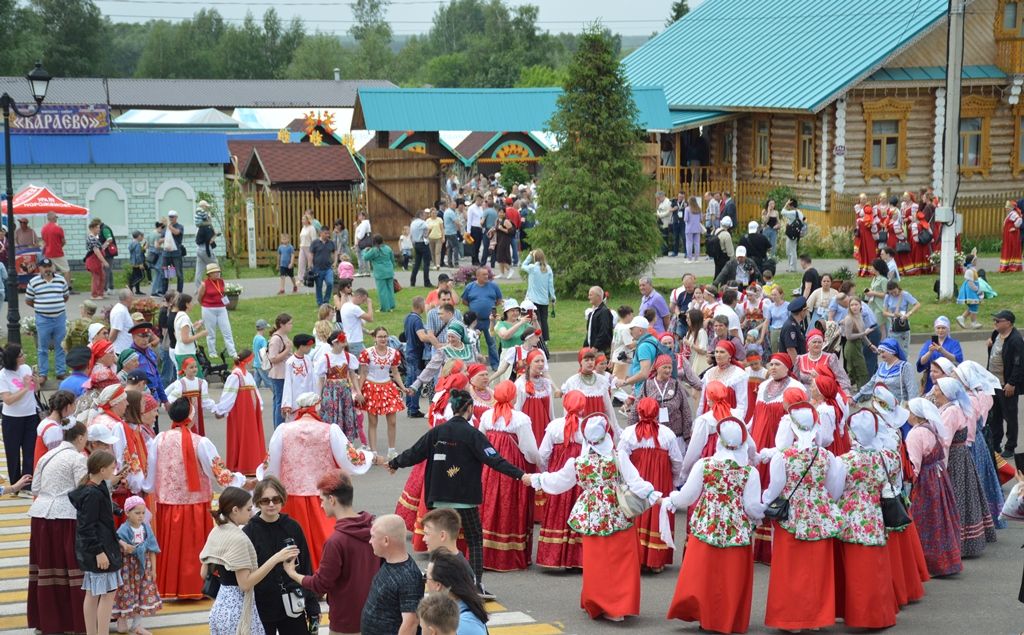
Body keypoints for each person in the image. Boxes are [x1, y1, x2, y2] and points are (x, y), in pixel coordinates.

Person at [385, 389, 528, 597]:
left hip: (438, 498)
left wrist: (394, 463)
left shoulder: (437, 432)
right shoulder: (473, 435)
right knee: (474, 538)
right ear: (469, 408)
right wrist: (520, 474)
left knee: (438, 539)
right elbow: (494, 460)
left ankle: (436, 579)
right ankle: (475, 584)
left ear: (452, 408)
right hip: (464, 499)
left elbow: (415, 453)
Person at [525, 415, 657, 622]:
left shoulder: (579, 462)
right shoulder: (617, 456)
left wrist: (536, 479)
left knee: (596, 561)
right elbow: (635, 481)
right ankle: (619, 606)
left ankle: (598, 603)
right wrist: (653, 495)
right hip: (617, 512)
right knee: (622, 560)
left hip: (592, 514)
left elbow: (559, 481)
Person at [663, 417, 763, 634]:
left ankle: (706, 615)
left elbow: (687, 496)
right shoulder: (749, 472)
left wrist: (671, 499)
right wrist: (760, 516)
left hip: (707, 524)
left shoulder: (705, 464)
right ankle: (727, 619)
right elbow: (752, 505)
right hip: (736, 528)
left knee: (705, 573)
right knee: (730, 576)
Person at [142, 397, 247, 600]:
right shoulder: (201, 442)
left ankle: (170, 587)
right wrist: (240, 480)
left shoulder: (159, 439)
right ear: (190, 417)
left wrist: (147, 489)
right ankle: (195, 586)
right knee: (195, 547)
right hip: (195, 504)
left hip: (167, 503)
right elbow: (219, 472)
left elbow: (151, 473)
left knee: (171, 547)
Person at [259, 391, 372, 571]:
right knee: (326, 538)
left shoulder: (283, 430)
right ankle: (327, 575)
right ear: (317, 406)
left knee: (292, 539)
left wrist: (265, 478)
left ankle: (297, 577)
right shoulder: (330, 430)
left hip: (292, 494)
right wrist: (368, 456)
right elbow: (349, 459)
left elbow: (271, 462)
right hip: (323, 496)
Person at [762, 404, 844, 631]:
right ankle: (815, 617)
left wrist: (765, 503)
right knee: (817, 568)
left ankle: (791, 618)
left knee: (790, 567)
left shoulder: (783, 457)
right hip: (819, 512)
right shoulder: (827, 456)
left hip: (792, 513)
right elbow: (834, 488)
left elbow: (775, 488)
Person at [281, 470, 378, 635]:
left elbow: (320, 584)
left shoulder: (336, 541)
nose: (320, 504)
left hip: (345, 621)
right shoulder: (374, 529)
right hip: (373, 614)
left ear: (332, 500)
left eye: (322, 500)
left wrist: (292, 573)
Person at [200, 487, 300, 635]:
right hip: (238, 609)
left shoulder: (216, 531)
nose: (251, 513)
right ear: (235, 510)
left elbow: (204, 573)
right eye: (248, 509)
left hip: (220, 606)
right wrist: (276, 558)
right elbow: (245, 584)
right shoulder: (238, 538)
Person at [834, 410, 897, 629]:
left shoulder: (844, 460)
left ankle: (856, 614)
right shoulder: (888, 457)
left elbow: (835, 489)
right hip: (875, 514)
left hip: (850, 516)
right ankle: (879, 614)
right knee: (876, 567)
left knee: (855, 570)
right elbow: (895, 482)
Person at [28, 420, 88, 633]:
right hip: (65, 517)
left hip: (40, 515)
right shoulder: (77, 458)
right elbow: (82, 490)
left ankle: (46, 621)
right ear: (80, 437)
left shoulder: (46, 456)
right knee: (70, 568)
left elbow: (35, 487)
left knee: (46, 568)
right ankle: (72, 622)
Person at [241, 477, 318, 635]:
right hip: (261, 606)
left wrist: (312, 608)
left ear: (282, 499)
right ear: (257, 502)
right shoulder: (249, 532)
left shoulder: (293, 527)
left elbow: (305, 567)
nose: (271, 504)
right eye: (265, 500)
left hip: (293, 603)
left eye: (276, 499)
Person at [478, 381, 541, 570]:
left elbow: (479, 439)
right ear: (513, 396)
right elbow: (529, 449)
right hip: (512, 468)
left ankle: (486, 554)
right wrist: (538, 463)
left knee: (489, 505)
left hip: (489, 468)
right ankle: (508, 557)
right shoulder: (520, 419)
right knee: (510, 506)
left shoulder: (487, 415)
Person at [619, 397, 683, 572]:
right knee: (658, 511)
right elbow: (677, 460)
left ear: (638, 412)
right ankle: (656, 559)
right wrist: (674, 479)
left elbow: (621, 458)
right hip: (660, 479)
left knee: (636, 511)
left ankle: (634, 557)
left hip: (636, 478)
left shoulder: (629, 433)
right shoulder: (667, 434)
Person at [935, 377, 997, 556]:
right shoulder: (954, 407)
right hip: (961, 457)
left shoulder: (951, 412)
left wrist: (942, 467)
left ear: (947, 393)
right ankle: (967, 541)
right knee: (964, 496)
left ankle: (957, 543)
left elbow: (944, 441)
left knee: (956, 497)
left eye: (938, 389)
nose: (935, 392)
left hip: (954, 458)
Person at [905, 397, 963, 576]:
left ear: (914, 415)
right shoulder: (931, 428)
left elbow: (914, 464)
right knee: (939, 518)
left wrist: (908, 486)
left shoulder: (915, 434)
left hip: (925, 481)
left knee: (924, 520)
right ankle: (945, 560)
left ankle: (926, 562)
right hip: (937, 478)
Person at [69, 451, 123, 635]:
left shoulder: (95, 486)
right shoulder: (93, 493)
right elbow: (86, 527)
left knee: (92, 594)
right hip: (100, 549)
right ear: (102, 470)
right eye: (111, 467)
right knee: (107, 595)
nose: (113, 471)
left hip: (100, 547)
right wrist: (99, 551)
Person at [360, 514, 424, 635]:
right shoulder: (388, 562)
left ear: (386, 541)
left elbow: (410, 623)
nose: (370, 541)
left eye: (373, 537)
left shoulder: (409, 577)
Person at [111, 495, 161, 635]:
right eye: (137, 513)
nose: (141, 516)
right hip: (127, 569)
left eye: (143, 513)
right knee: (125, 593)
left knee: (142, 594)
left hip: (143, 568)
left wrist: (153, 570)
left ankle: (137, 625)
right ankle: (122, 619)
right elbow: (118, 548)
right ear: (127, 513)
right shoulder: (123, 530)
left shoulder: (146, 529)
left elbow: (152, 550)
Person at [212, 350, 266, 475]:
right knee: (242, 436)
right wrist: (221, 410)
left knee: (251, 437)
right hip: (241, 413)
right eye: (252, 359)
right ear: (247, 361)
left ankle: (251, 464)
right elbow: (229, 395)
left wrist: (260, 407)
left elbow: (256, 392)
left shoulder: (248, 375)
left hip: (251, 412)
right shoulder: (236, 376)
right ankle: (242, 465)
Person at [358, 327, 408, 456]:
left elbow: (395, 373)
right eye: (380, 336)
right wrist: (358, 391)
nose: (383, 339)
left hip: (387, 386)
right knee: (373, 422)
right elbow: (363, 373)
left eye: (385, 336)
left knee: (392, 421)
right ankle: (374, 452)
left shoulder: (394, 353)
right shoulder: (366, 353)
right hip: (371, 387)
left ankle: (391, 450)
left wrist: (403, 387)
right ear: (374, 338)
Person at [0, 344, 41, 484]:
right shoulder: (3, 375)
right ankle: (15, 483)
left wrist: (36, 383)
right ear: (14, 359)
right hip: (12, 419)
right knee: (13, 453)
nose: (25, 356)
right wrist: (25, 387)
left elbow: (35, 390)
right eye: (21, 355)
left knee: (30, 451)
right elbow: (8, 400)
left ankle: (27, 484)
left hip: (30, 415)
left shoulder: (26, 368)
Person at [987, 309, 1024, 464]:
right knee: (995, 415)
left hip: (1006, 385)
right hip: (992, 383)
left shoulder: (1015, 340)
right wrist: (989, 346)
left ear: (1008, 323)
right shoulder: (996, 334)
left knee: (1009, 416)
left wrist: (1012, 383)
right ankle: (996, 444)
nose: (995, 323)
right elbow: (994, 355)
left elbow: (1019, 364)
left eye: (998, 321)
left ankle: (1010, 446)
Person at [26, 257, 70, 382]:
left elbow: (65, 297)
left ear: (53, 267)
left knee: (61, 346)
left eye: (49, 266)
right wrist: (41, 307)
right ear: (39, 268)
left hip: (59, 318)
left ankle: (61, 372)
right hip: (43, 319)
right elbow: (28, 300)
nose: (47, 269)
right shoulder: (33, 282)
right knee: (42, 348)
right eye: (44, 267)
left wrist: (55, 305)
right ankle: (43, 374)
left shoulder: (61, 280)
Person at [425, 551, 489, 635]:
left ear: (438, 585)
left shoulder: (464, 625)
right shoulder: (453, 613)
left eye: (426, 577)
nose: (425, 582)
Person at [854, 338, 919, 404]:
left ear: (892, 351)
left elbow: (912, 389)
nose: (881, 355)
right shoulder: (882, 366)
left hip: (898, 408)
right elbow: (871, 383)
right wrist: (855, 397)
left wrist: (912, 408)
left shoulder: (905, 366)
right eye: (879, 352)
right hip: (880, 406)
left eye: (883, 352)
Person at [461, 267, 503, 368]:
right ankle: (475, 365)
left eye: (487, 274)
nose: (486, 276)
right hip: (475, 322)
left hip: (490, 320)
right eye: (484, 274)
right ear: (477, 276)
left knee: (492, 343)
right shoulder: (470, 287)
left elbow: (499, 299)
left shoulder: (493, 286)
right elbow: (464, 300)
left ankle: (495, 365)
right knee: (473, 343)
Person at [196, 263, 237, 360]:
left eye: (218, 272)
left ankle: (232, 352)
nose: (217, 274)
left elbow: (222, 293)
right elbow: (199, 297)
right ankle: (212, 352)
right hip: (208, 309)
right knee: (210, 332)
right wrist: (205, 305)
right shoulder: (204, 284)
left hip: (221, 308)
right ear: (209, 274)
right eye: (214, 272)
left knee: (227, 330)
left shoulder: (221, 281)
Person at [795, 328, 852, 395]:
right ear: (808, 344)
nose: (817, 344)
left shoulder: (830, 358)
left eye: (819, 342)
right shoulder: (800, 359)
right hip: (805, 395)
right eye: (814, 342)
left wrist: (847, 394)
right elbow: (796, 381)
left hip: (826, 394)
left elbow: (842, 378)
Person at [915, 316, 964, 394]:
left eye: (943, 328)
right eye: (938, 328)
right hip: (931, 378)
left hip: (948, 377)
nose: (940, 330)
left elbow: (957, 359)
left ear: (948, 329)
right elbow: (921, 362)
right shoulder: (929, 343)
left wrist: (942, 351)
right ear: (935, 329)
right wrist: (930, 352)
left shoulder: (954, 343)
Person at [520, 250, 555, 341]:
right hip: (544, 300)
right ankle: (545, 339)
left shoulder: (532, 268)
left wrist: (529, 255)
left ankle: (534, 336)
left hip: (533, 299)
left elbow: (523, 266)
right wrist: (553, 297)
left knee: (534, 320)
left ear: (535, 258)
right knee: (544, 321)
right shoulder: (548, 268)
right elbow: (550, 284)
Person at [267, 314, 294, 429]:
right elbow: (273, 358)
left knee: (279, 401)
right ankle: (279, 427)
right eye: (289, 323)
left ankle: (279, 426)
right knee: (280, 402)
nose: (291, 326)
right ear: (282, 325)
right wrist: (287, 350)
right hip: (279, 374)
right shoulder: (276, 339)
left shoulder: (283, 336)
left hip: (284, 373)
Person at [362, 234, 396, 312]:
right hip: (389, 270)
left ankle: (385, 308)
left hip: (380, 272)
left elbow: (365, 257)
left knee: (382, 291)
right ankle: (391, 305)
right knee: (390, 289)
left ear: (374, 242)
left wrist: (365, 251)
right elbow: (392, 259)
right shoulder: (388, 248)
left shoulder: (374, 250)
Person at [339, 288, 374, 357]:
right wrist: (369, 304)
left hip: (348, 340)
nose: (363, 302)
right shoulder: (354, 308)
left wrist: (367, 332)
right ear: (359, 297)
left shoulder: (345, 305)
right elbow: (370, 318)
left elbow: (354, 325)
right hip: (355, 342)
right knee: (362, 363)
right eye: (363, 300)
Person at [583, 286, 613, 356]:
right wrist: (585, 347)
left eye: (591, 295)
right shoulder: (592, 312)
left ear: (598, 296)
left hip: (600, 351)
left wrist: (595, 347)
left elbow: (604, 331)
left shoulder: (604, 312)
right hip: (591, 349)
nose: (589, 297)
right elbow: (590, 332)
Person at [84, 219, 110, 300]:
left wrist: (106, 245)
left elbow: (99, 248)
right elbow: (96, 251)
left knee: (102, 276)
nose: (99, 229)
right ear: (92, 228)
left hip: (96, 260)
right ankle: (94, 295)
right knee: (96, 277)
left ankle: (100, 293)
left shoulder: (94, 237)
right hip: (93, 260)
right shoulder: (91, 238)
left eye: (99, 227)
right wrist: (104, 261)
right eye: (97, 228)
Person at [781, 199, 806, 272]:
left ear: (790, 205)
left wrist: (786, 204)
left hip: (791, 234)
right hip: (796, 234)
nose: (788, 206)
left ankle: (792, 268)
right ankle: (791, 267)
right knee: (792, 250)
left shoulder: (793, 212)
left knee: (790, 251)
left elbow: (782, 212)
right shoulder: (799, 212)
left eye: (789, 205)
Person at [410, 209, 433, 288]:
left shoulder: (413, 223)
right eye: (424, 215)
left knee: (417, 263)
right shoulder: (423, 223)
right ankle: (426, 282)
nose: (425, 216)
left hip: (416, 243)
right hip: (423, 242)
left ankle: (412, 281)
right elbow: (428, 228)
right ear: (420, 215)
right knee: (426, 263)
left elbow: (411, 234)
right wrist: (426, 235)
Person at [999, 200, 1023, 272]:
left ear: (1011, 208)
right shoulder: (1010, 214)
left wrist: (1015, 227)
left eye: (1007, 207)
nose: (1006, 208)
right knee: (1008, 249)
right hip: (1009, 236)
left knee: (1011, 249)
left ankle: (1013, 266)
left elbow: (1019, 220)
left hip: (1012, 236)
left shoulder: (1013, 214)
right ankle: (1007, 266)